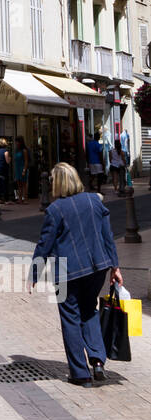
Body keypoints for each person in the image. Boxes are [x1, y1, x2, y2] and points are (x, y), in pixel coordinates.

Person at [28, 162, 122, 386]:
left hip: (65, 272)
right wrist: (115, 267)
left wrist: (34, 273)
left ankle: (80, 374)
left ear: (57, 184)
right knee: (89, 310)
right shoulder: (94, 201)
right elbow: (107, 236)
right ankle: (98, 361)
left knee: (70, 317)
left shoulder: (54, 210)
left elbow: (44, 245)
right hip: (96, 268)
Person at [0, 138, 11, 203]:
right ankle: (5, 199)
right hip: (4, 169)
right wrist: (10, 158)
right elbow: (7, 161)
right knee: (5, 184)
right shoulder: (6, 151)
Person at [13, 137, 29, 204]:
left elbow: (26, 161)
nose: (16, 143)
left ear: (21, 142)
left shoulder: (24, 150)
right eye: (16, 142)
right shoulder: (16, 150)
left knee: (24, 185)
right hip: (17, 169)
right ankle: (20, 199)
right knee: (19, 185)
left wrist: (24, 170)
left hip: (22, 168)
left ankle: (25, 199)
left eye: (18, 142)